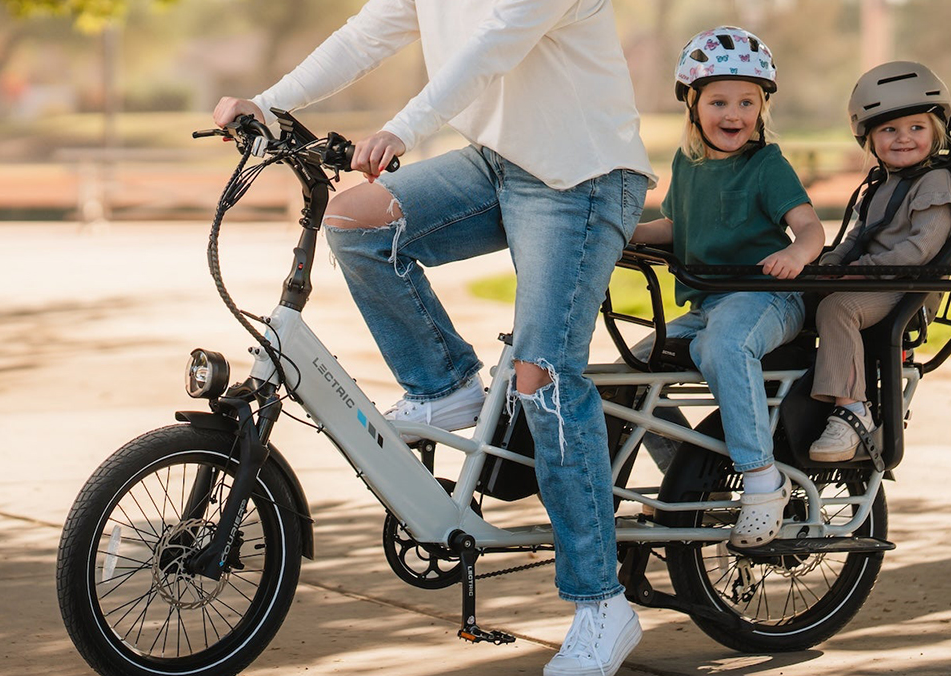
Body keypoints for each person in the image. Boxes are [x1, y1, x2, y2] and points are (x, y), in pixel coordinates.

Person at [212, 3, 655, 675]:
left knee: (545, 375)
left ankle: (601, 603)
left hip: (582, 176)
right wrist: (268, 107)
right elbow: (367, 35)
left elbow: (492, 47)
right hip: (500, 162)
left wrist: (402, 128)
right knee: (358, 223)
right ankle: (443, 385)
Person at [629, 26, 825, 549]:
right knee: (631, 373)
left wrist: (794, 253)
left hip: (767, 298)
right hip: (709, 301)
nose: (733, 114)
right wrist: (623, 236)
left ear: (763, 108)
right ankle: (692, 474)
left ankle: (762, 479)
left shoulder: (767, 165)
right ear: (691, 104)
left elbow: (811, 229)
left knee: (723, 346)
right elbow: (673, 229)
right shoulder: (685, 163)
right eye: (718, 101)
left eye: (747, 101)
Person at [808, 61, 951, 462]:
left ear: (936, 132)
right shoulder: (881, 183)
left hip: (904, 286)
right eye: (889, 130)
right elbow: (855, 237)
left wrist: (857, 273)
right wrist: (829, 264)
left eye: (916, 128)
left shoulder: (934, 183)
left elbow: (920, 251)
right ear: (870, 139)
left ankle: (850, 412)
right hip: (873, 279)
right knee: (802, 295)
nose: (903, 139)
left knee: (838, 307)